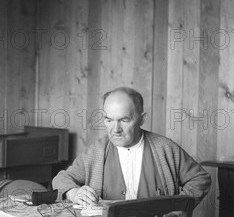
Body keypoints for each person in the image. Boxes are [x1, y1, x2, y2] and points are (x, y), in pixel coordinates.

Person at [52, 87, 211, 207]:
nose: (115, 129)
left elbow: (200, 179)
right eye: (109, 120)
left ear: (142, 119)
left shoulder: (165, 148)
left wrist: (176, 206)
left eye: (124, 120)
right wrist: (73, 193)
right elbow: (61, 179)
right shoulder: (97, 151)